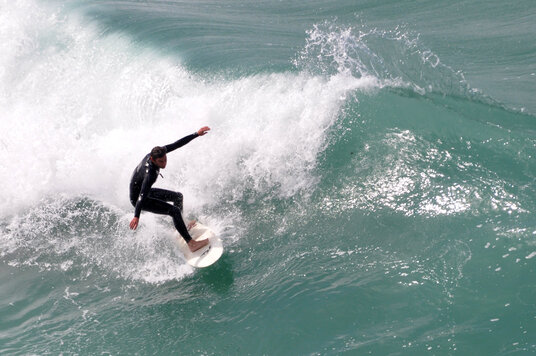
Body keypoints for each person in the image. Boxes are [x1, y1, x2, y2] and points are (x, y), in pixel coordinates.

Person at [129, 126, 211, 252]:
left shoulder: (158, 153)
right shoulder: (149, 174)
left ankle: (181, 225)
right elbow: (142, 195)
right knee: (174, 211)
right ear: (152, 159)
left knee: (178, 197)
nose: (164, 163)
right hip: (139, 198)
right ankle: (191, 243)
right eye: (161, 162)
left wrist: (196, 134)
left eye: (165, 159)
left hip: (145, 191)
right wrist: (136, 216)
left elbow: (177, 144)